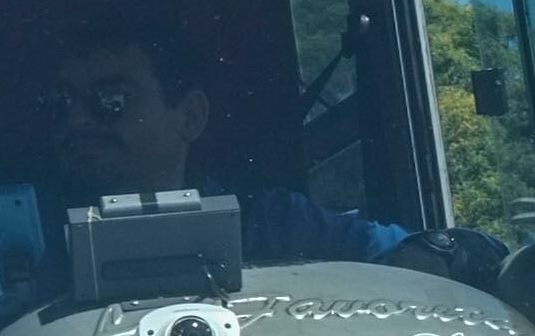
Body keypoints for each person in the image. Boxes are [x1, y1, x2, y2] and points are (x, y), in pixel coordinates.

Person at [45, 18, 410, 266]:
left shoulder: (269, 226)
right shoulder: (18, 246)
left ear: (190, 116)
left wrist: (449, 252)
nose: (77, 120)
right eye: (59, 104)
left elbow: (406, 254)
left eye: (111, 101)